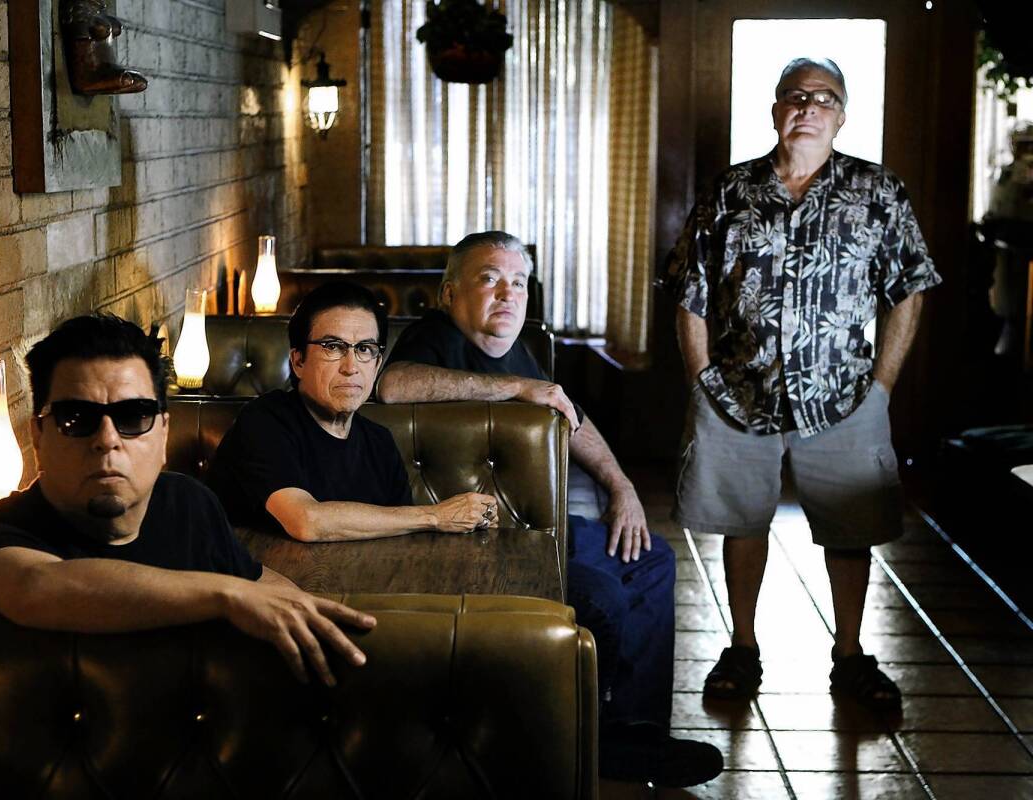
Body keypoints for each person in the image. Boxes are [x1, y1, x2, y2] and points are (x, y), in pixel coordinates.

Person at [376, 232, 722, 789]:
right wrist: (516, 388)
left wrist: (620, 485)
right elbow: (392, 386)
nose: (507, 294)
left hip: (531, 533)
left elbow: (568, 413)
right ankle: (591, 737)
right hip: (464, 546)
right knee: (602, 597)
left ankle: (635, 729)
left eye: (518, 282)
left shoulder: (516, 346)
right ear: (448, 294)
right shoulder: (431, 338)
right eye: (489, 279)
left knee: (651, 557)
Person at [665, 58, 941, 711]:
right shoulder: (730, 190)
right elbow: (690, 294)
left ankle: (850, 654)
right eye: (795, 96)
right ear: (776, 110)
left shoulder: (878, 191)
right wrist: (702, 378)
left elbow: (910, 291)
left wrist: (882, 387)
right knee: (742, 521)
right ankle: (742, 647)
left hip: (845, 396)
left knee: (851, 529)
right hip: (737, 389)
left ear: (842, 115)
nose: (808, 107)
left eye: (824, 98)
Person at [0, 314, 375, 688]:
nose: (107, 441)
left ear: (163, 434)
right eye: (76, 419)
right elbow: (36, 589)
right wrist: (227, 594)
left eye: (133, 417)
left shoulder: (187, 502)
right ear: (37, 436)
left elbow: (260, 587)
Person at [212, 280, 500, 540]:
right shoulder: (264, 421)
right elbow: (306, 521)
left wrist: (475, 517)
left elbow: (400, 538)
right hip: (263, 590)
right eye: (333, 346)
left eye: (364, 349)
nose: (351, 368)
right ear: (298, 361)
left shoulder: (380, 443)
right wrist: (435, 516)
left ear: (376, 365)